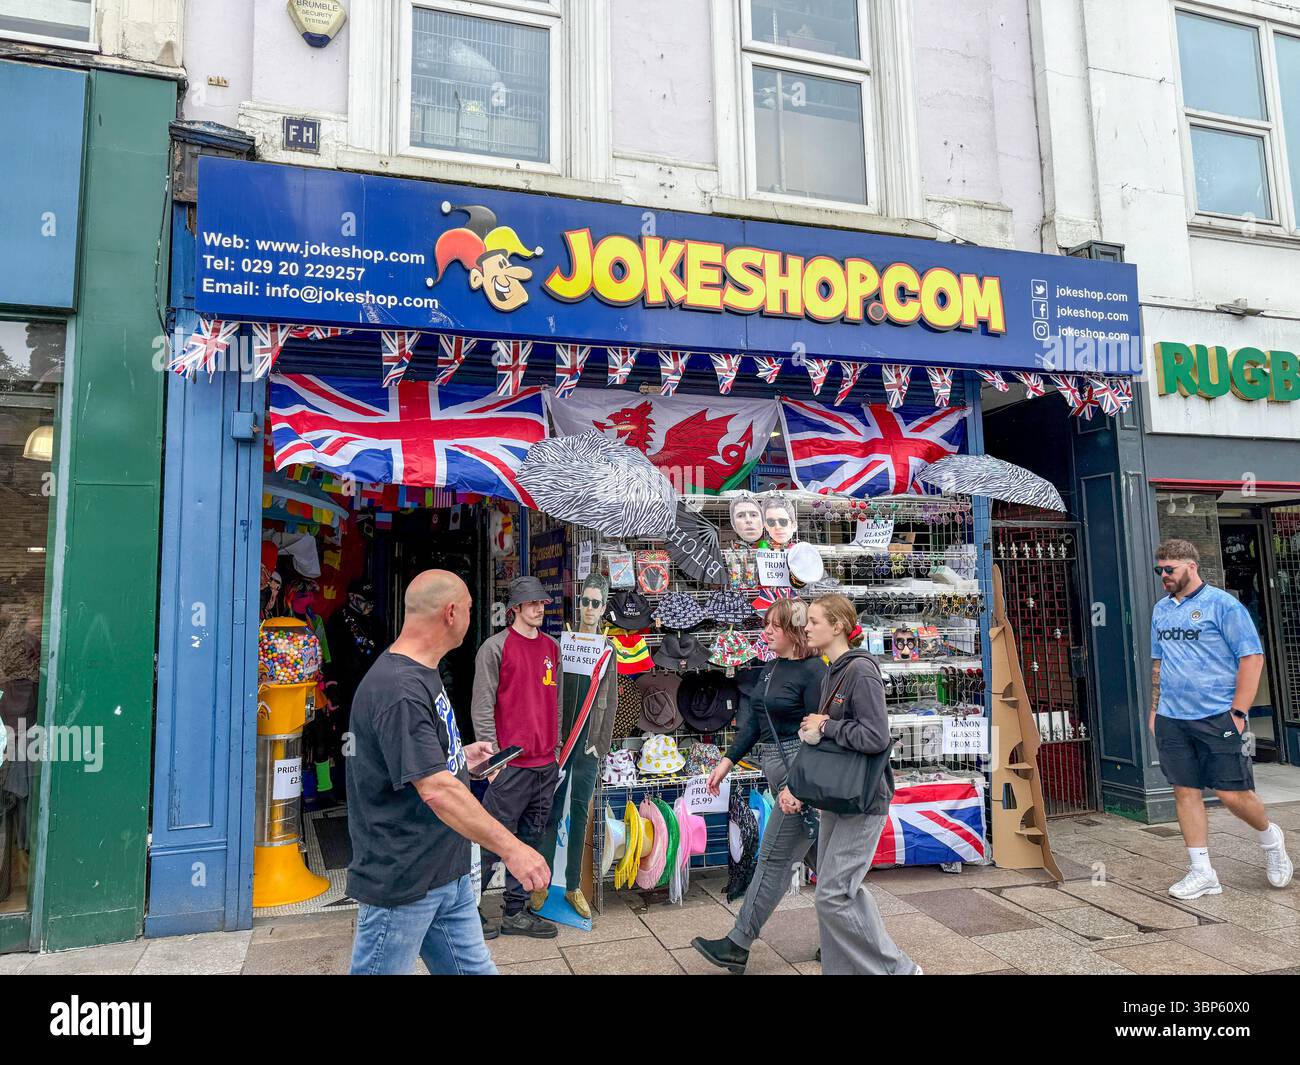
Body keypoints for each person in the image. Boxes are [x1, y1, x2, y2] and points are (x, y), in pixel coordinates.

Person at [346, 569, 550, 975]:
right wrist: (513, 849)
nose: (474, 618)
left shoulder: (423, 671)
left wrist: (460, 757)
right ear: (451, 613)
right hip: (404, 882)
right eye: (471, 610)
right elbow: (436, 790)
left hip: (446, 871)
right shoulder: (398, 688)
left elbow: (426, 763)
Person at [1149, 539, 1293, 899]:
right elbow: (1158, 662)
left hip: (1217, 715)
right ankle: (1202, 872)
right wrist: (1154, 709)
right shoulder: (1161, 610)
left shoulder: (1224, 605)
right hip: (1172, 716)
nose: (1164, 575)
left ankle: (1270, 839)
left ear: (1191, 567)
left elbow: (1252, 658)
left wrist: (1240, 713)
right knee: (1184, 790)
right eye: (1160, 569)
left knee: (1232, 795)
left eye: (1170, 569)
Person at [692, 598, 827, 973]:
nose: (765, 631)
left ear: (795, 631)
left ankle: (737, 943)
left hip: (798, 770)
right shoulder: (771, 668)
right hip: (776, 767)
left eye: (774, 626)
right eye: (766, 624)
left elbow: (820, 736)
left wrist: (799, 787)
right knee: (830, 868)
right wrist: (726, 760)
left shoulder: (815, 672)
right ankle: (847, 942)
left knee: (772, 859)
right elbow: (752, 721)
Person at [798, 593, 920, 976]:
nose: (806, 627)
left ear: (837, 626)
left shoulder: (860, 671)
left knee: (834, 894)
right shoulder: (833, 670)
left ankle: (899, 969)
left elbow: (876, 737)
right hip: (839, 795)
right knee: (833, 891)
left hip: (863, 796)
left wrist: (827, 726)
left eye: (814, 621)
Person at [471, 575, 564, 939]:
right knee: (492, 841)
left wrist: (555, 752)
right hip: (509, 766)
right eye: (532, 604)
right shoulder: (494, 648)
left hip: (544, 765)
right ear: (515, 609)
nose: (539, 609)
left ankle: (515, 910)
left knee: (530, 840)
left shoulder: (552, 647)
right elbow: (482, 707)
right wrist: (492, 766)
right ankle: (467, 910)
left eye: (542, 603)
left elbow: (555, 703)